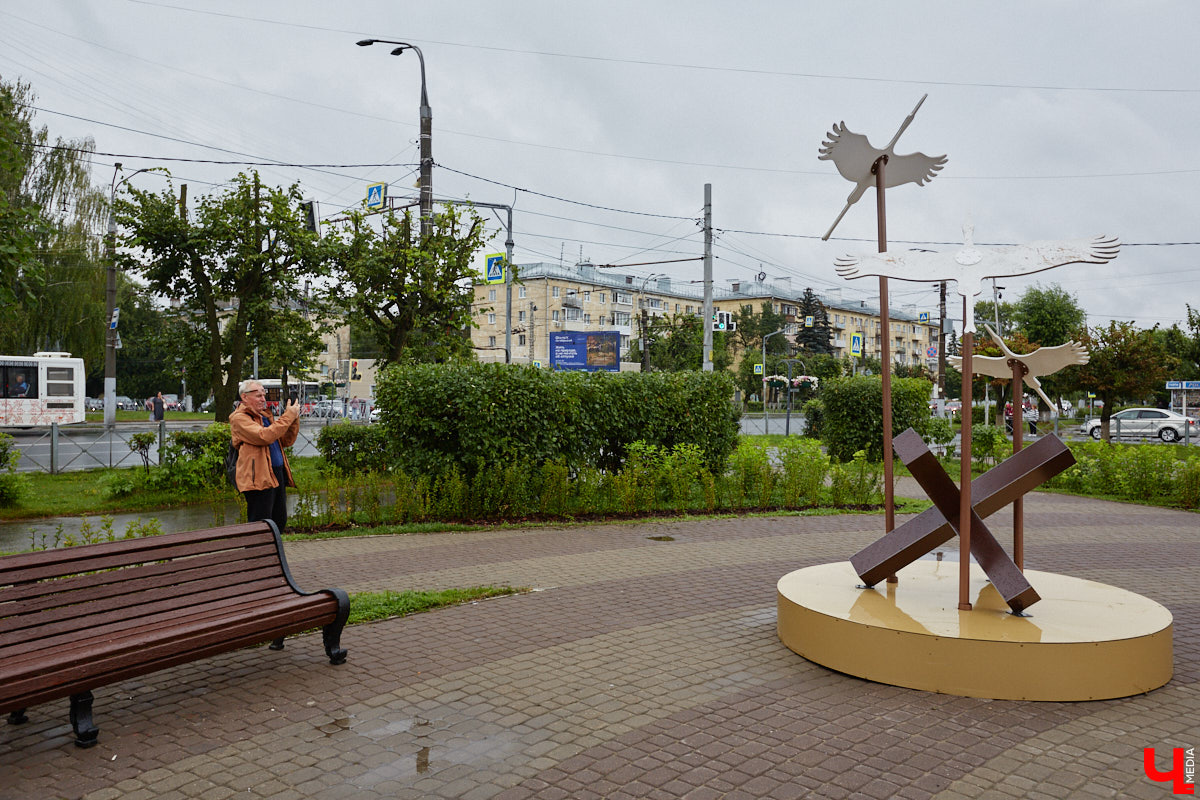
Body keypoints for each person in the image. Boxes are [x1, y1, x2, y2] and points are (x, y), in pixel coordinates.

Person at [230, 379, 300, 533]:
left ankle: (272, 555)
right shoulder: (239, 418)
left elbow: (286, 440)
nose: (263, 399)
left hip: (276, 473)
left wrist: (293, 419)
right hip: (258, 477)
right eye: (258, 396)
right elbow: (264, 436)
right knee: (260, 524)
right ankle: (255, 555)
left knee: (279, 521)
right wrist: (288, 416)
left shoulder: (264, 416)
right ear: (244, 397)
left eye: (264, 395)